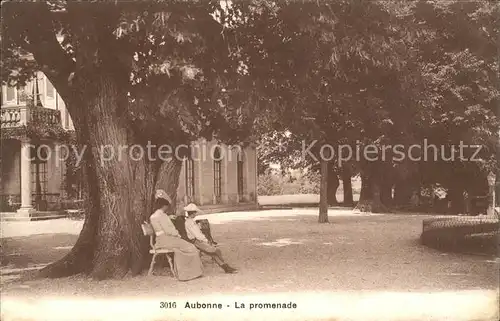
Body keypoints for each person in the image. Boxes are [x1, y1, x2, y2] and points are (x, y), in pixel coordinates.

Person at [149, 190, 203, 281]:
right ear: (164, 206)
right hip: (168, 240)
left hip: (161, 240)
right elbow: (169, 230)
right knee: (191, 247)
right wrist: (177, 234)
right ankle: (189, 273)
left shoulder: (154, 216)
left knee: (185, 246)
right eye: (167, 206)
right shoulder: (162, 216)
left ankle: (187, 272)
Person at [183, 203, 237, 274]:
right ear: (192, 213)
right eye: (195, 213)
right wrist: (206, 240)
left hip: (197, 240)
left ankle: (225, 267)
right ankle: (225, 266)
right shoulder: (189, 222)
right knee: (215, 251)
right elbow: (197, 235)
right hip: (196, 241)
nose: (195, 214)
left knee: (213, 252)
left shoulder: (190, 221)